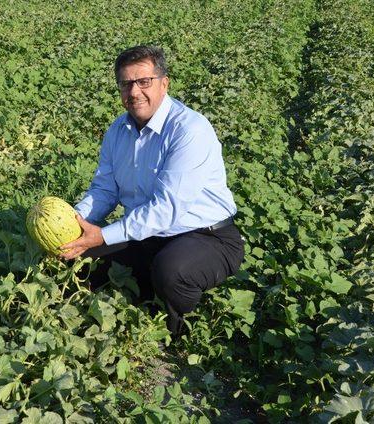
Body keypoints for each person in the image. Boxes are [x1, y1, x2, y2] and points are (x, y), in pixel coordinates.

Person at [59, 45, 244, 335]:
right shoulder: (117, 131)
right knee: (80, 261)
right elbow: (105, 189)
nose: (134, 92)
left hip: (207, 236)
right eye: (126, 83)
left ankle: (176, 328)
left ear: (164, 83)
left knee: (171, 272)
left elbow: (166, 210)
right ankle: (146, 290)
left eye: (144, 81)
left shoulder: (189, 130)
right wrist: (74, 223)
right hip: (149, 235)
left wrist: (103, 235)